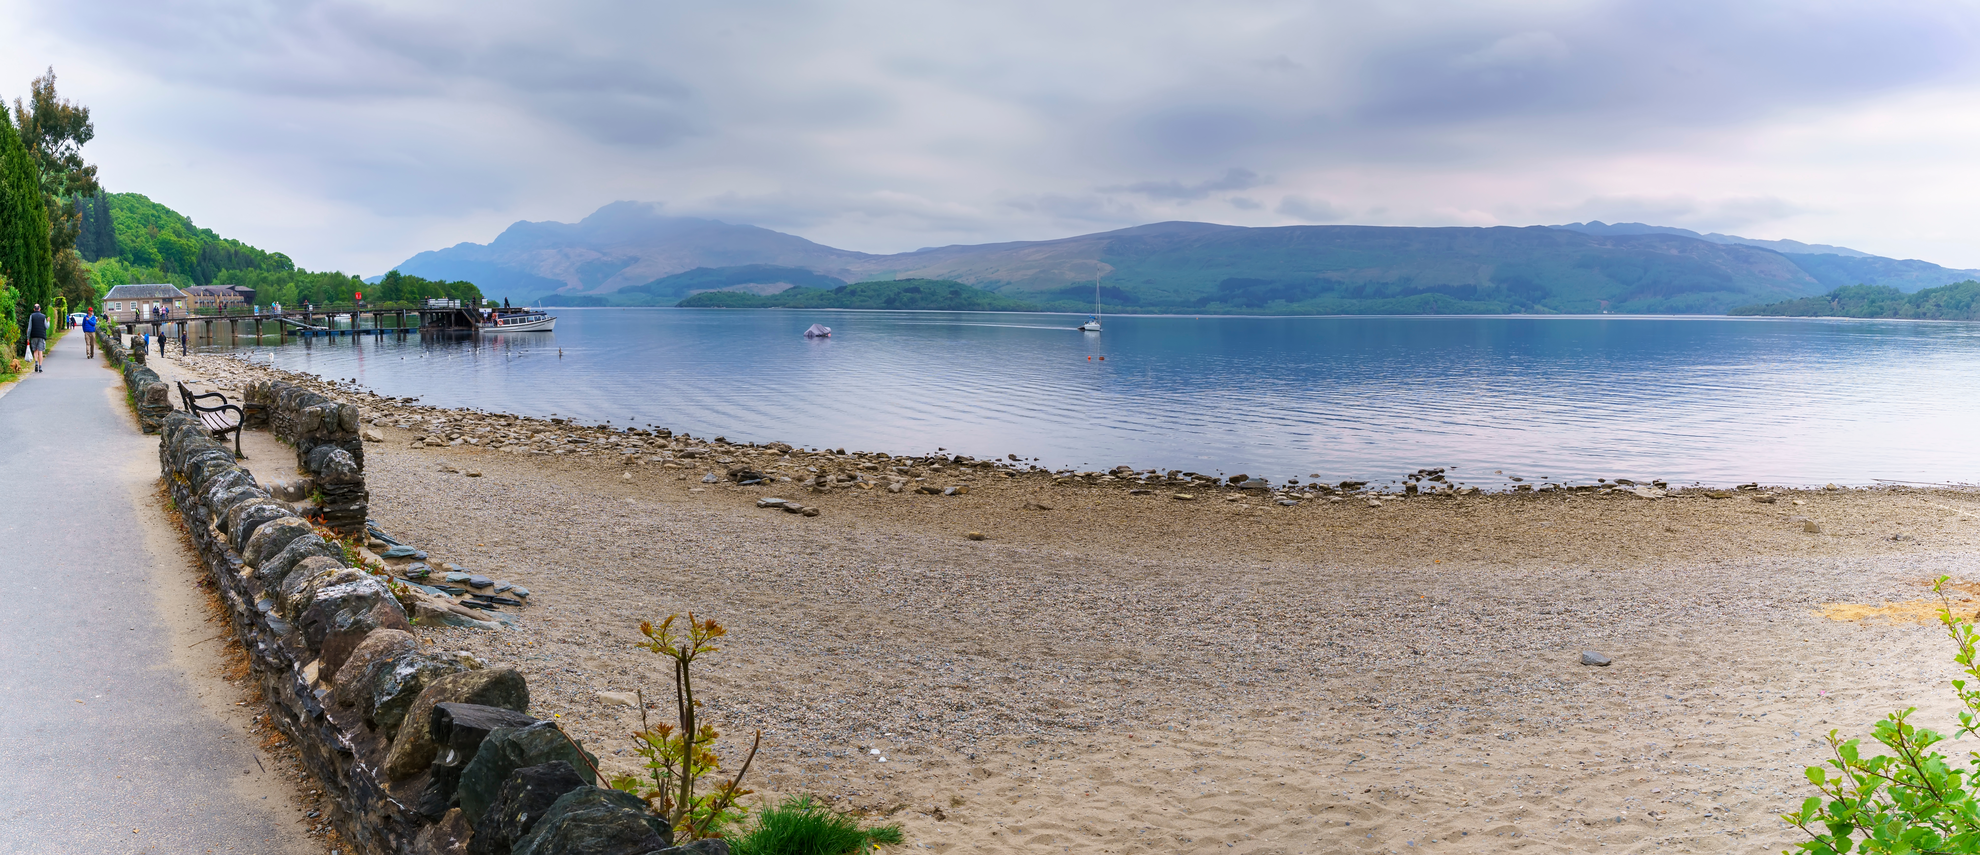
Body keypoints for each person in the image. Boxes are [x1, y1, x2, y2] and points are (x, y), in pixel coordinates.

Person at [26, 304, 47, 372]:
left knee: (35, 350)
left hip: (33, 335)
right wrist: (48, 322)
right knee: (40, 351)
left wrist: (28, 337)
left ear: (34, 309)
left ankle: (36, 362)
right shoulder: (43, 316)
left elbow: (29, 328)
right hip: (41, 336)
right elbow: (46, 326)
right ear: (40, 309)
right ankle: (40, 367)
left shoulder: (31, 316)